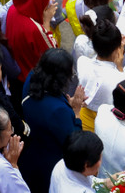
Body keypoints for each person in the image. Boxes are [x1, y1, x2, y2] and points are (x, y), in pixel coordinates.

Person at [18, 48, 82, 192]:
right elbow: (74, 143)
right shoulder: (58, 111)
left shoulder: (32, 77)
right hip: (51, 162)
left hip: (33, 152)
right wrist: (76, 112)